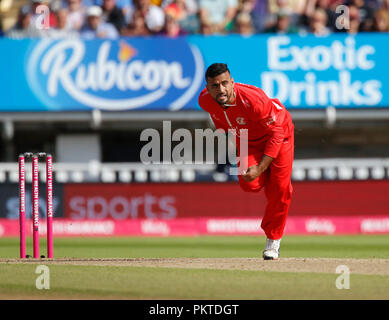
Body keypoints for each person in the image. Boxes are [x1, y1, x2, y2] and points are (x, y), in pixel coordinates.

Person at [198, 63, 294, 260]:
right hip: (246, 138)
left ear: (232, 83)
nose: (221, 89)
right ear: (207, 88)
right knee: (249, 183)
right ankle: (271, 182)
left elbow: (276, 133)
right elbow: (226, 125)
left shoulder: (253, 100)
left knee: (281, 188)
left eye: (225, 83)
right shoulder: (205, 101)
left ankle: (272, 241)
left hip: (279, 133)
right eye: (215, 86)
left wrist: (260, 167)